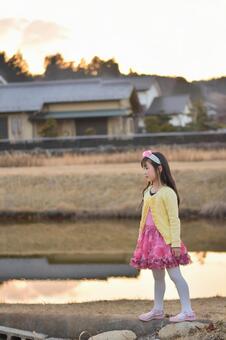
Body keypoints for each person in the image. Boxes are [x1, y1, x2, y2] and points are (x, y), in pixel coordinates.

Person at [130, 149, 196, 323]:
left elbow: (174, 220)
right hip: (150, 241)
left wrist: (175, 243)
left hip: (166, 241)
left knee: (175, 275)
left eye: (147, 168)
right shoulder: (147, 192)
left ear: (159, 169)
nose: (145, 172)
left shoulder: (168, 193)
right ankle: (157, 310)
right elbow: (144, 218)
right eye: (143, 168)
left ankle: (187, 311)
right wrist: (140, 239)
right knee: (157, 277)